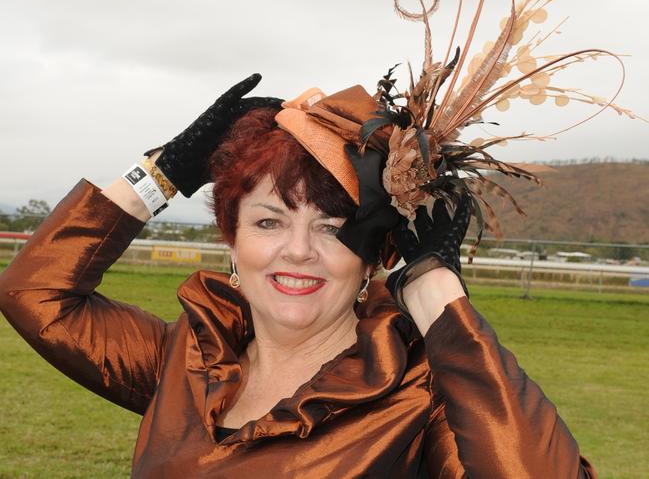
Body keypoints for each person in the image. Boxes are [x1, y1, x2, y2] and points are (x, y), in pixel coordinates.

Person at [0, 74, 596, 478]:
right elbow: (36, 292)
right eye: (268, 222)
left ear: (372, 256)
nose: (298, 251)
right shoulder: (182, 361)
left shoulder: (420, 400)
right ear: (232, 237)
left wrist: (435, 287)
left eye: (335, 228)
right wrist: (162, 173)